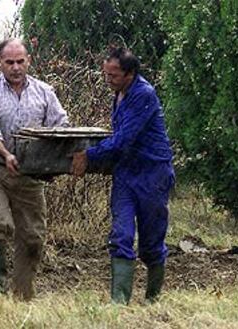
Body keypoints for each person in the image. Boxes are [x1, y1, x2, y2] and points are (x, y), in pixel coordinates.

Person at [72, 46, 175, 304]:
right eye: (105, 74)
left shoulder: (144, 95)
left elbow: (123, 140)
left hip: (153, 173)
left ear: (130, 74)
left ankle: (153, 298)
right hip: (126, 174)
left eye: (113, 75)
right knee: (121, 235)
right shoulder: (118, 94)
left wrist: (90, 156)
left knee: (151, 242)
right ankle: (119, 303)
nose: (107, 80)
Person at [0, 38, 69, 301]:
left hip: (30, 176)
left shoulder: (44, 92)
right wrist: (6, 154)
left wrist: (56, 160)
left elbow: (61, 125)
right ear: (0, 62)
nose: (15, 67)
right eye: (9, 62)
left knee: (33, 237)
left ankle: (22, 294)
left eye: (20, 61)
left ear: (28, 61)